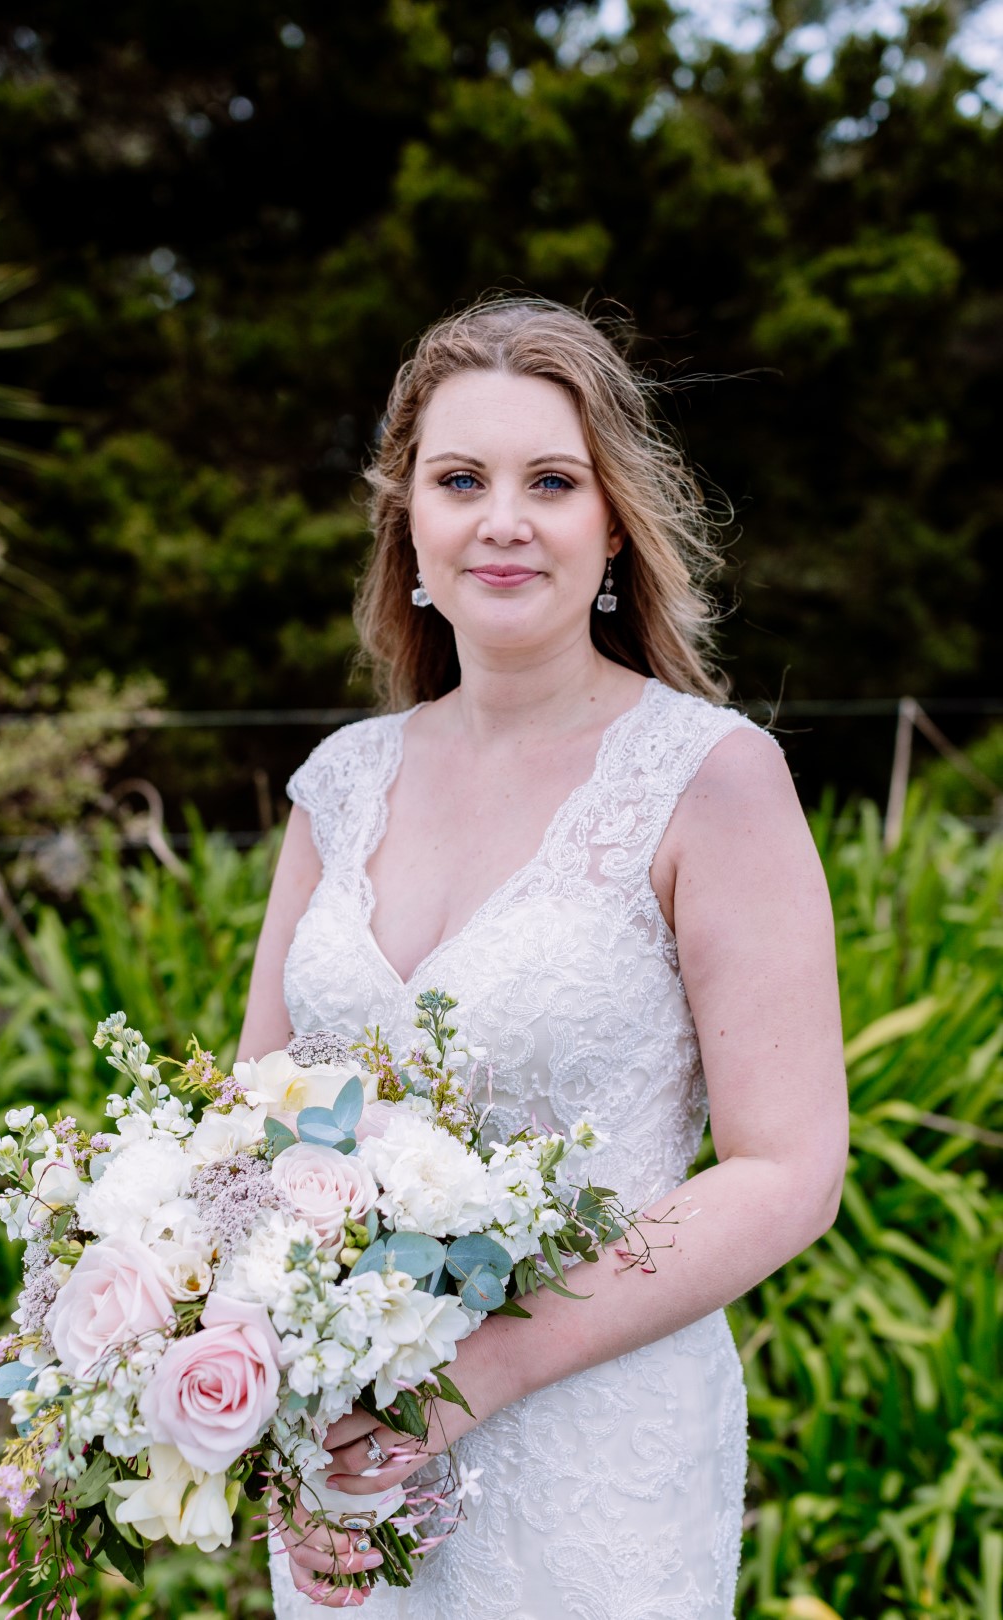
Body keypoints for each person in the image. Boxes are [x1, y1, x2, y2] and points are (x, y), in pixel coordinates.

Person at [237, 296, 848, 1619]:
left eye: (552, 482)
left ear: (612, 522)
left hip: (594, 1461)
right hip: (348, 1459)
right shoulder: (339, 786)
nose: (503, 520)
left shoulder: (712, 779)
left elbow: (788, 1172)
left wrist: (473, 1376)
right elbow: (251, 1124)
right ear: (409, 520)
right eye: (460, 480)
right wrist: (265, 1406)